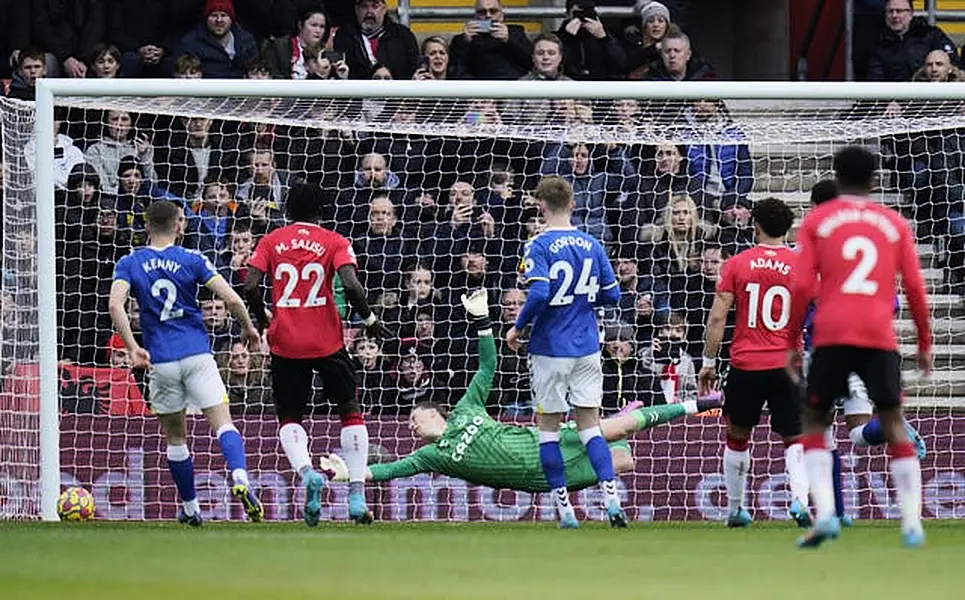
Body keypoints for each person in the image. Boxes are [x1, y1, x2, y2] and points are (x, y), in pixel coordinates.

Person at [319, 290, 721, 494]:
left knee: (613, 429)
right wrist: (345, 474)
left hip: (550, 442)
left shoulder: (465, 410)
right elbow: (385, 470)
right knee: (624, 460)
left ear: (435, 412)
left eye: (416, 416)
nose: (411, 422)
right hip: (545, 479)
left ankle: (694, 404)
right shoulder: (431, 456)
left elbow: (488, 365)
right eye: (411, 420)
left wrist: (481, 321)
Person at [786, 146, 933, 548]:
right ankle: (912, 523)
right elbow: (915, 288)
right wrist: (923, 341)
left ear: (837, 175)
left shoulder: (819, 221)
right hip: (879, 336)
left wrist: (791, 341)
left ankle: (828, 516)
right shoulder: (893, 223)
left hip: (831, 335)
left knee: (815, 422)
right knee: (893, 422)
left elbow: (801, 287)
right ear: (875, 179)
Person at [108, 201, 264, 526]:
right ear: (179, 225)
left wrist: (134, 346)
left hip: (160, 362)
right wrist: (249, 328)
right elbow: (233, 299)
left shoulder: (130, 262)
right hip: (197, 355)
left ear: (147, 226)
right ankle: (240, 477)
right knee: (223, 423)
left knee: (176, 439)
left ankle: (191, 508)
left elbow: (115, 305)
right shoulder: (193, 258)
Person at [242, 183, 389, 527]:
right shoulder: (334, 241)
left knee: (290, 416)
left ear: (288, 210)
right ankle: (355, 495)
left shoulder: (271, 240)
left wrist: (263, 318)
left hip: (286, 343)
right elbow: (351, 286)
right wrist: (369, 319)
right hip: (327, 341)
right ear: (321, 211)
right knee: (350, 411)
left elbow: (250, 286)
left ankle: (308, 472)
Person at [505, 176, 625, 529]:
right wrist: (582, 302)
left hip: (550, 347)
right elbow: (613, 295)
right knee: (591, 427)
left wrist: (518, 326)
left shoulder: (537, 244)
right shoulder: (592, 243)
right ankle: (612, 501)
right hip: (587, 345)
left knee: (549, 430)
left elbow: (539, 294)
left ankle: (566, 511)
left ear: (540, 206)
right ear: (572, 204)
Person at [698, 197, 810, 529]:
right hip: (788, 366)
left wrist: (708, 362)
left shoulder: (736, 264)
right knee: (795, 438)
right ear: (788, 228)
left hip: (746, 365)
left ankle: (735, 510)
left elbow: (718, 318)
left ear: (755, 225)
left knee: (737, 436)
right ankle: (801, 502)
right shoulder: (803, 265)